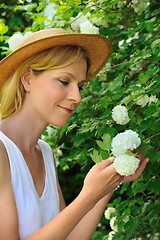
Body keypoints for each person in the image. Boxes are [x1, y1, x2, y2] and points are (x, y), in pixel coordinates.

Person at [0, 28, 149, 240]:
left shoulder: (44, 152)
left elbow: (69, 237)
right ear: (27, 80)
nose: (76, 97)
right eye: (64, 81)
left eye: (80, 86)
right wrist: (87, 195)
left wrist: (107, 184)